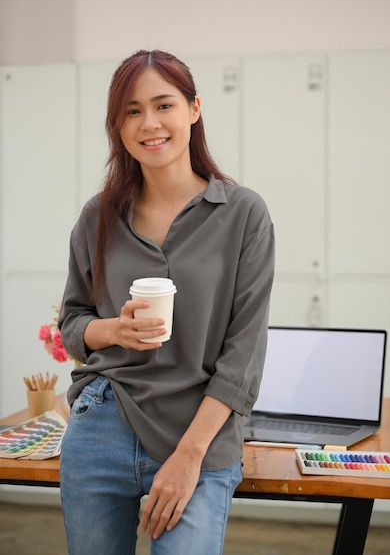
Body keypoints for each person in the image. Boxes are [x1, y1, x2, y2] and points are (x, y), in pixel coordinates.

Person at [58, 49, 275, 555]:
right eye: (131, 111)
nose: (149, 123)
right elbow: (72, 321)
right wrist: (113, 330)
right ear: (117, 125)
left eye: (163, 105)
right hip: (104, 420)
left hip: (199, 432)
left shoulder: (242, 213)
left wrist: (189, 457)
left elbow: (242, 356)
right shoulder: (99, 217)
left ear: (193, 109)